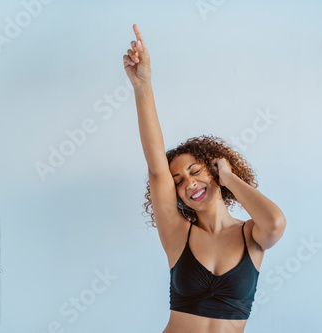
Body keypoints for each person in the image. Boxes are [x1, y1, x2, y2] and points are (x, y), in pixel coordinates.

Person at [123, 23, 286, 333]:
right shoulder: (176, 233)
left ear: (213, 173)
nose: (188, 183)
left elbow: (276, 223)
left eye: (195, 172)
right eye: (179, 181)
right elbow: (157, 168)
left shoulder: (252, 235)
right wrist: (142, 84)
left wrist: (229, 177)